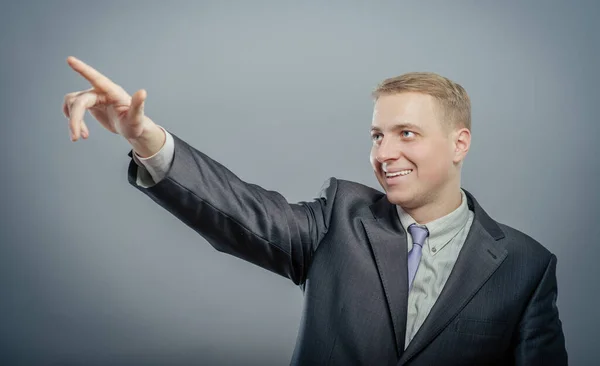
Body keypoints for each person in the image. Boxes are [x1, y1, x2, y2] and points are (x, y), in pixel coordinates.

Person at [63, 56, 568, 365]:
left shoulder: (526, 265)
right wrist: (145, 138)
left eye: (406, 134)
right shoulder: (340, 218)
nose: (383, 153)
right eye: (377, 136)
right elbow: (240, 210)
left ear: (460, 144)